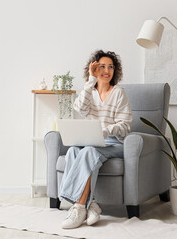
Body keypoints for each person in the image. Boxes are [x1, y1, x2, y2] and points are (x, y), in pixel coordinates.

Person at [58, 50, 132, 229]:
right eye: (102, 67)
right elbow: (80, 109)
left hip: (114, 143)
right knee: (74, 150)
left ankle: (79, 206)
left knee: (89, 152)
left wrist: (106, 131)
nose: (107, 71)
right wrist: (90, 81)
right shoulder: (89, 92)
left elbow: (125, 125)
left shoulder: (119, 93)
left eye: (111, 67)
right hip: (92, 141)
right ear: (94, 69)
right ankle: (91, 204)